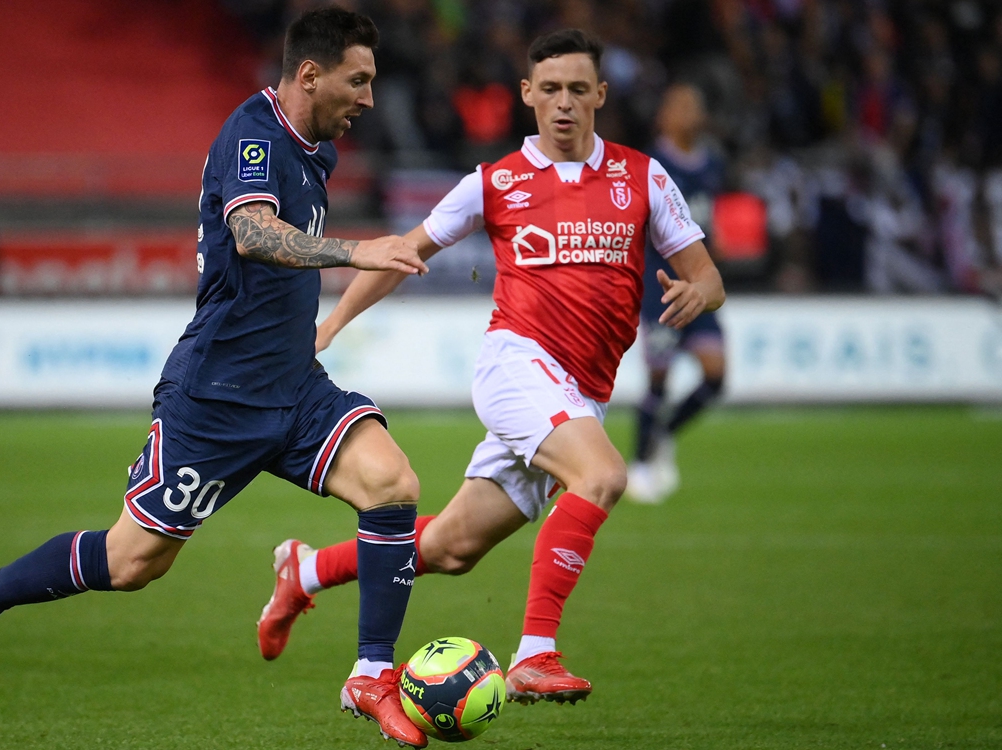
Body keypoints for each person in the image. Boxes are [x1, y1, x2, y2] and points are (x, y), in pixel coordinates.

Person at [0, 9, 434, 748]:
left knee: (392, 483)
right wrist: (359, 252)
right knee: (132, 564)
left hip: (294, 389)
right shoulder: (253, 135)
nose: (370, 99)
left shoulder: (314, 154)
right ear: (311, 74)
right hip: (216, 398)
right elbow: (252, 233)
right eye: (360, 80)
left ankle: (371, 675)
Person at [256, 29, 725, 705]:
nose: (564, 103)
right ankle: (536, 653)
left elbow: (707, 277)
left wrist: (696, 291)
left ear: (600, 94)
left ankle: (306, 571)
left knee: (450, 548)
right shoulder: (496, 181)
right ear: (529, 95)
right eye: (550, 90)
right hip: (519, 366)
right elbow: (403, 253)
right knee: (601, 475)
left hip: (582, 393)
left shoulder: (642, 176)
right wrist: (328, 326)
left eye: (577, 89)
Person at [626, 83, 728, 504]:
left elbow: (709, 222)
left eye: (695, 106)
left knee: (716, 376)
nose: (689, 114)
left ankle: (664, 435)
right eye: (681, 106)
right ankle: (638, 463)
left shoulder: (712, 164)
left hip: (699, 289)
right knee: (658, 383)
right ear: (663, 115)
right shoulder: (652, 165)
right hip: (662, 290)